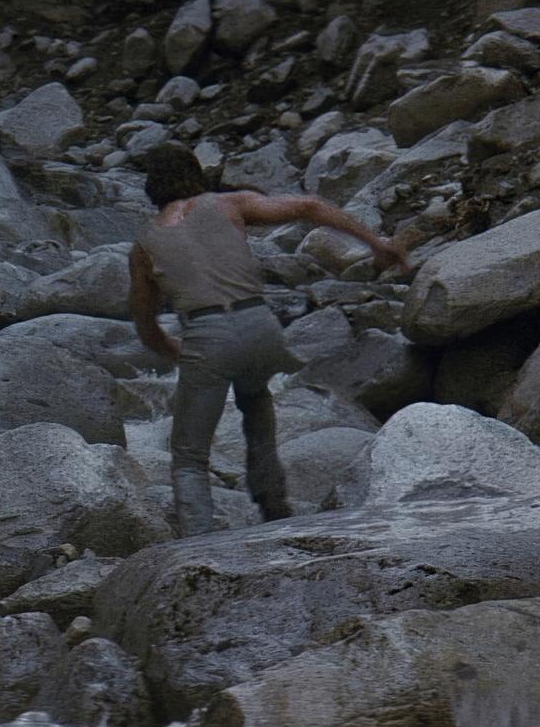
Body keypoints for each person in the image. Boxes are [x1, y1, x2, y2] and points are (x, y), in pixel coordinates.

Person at [128, 143, 407, 536]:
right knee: (255, 400)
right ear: (196, 173)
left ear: (151, 186)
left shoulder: (145, 244)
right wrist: (378, 243)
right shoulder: (230, 204)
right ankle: (274, 507)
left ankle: (198, 544)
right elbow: (309, 206)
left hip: (207, 335)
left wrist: (172, 349)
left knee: (189, 457)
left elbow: (145, 323)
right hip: (261, 326)